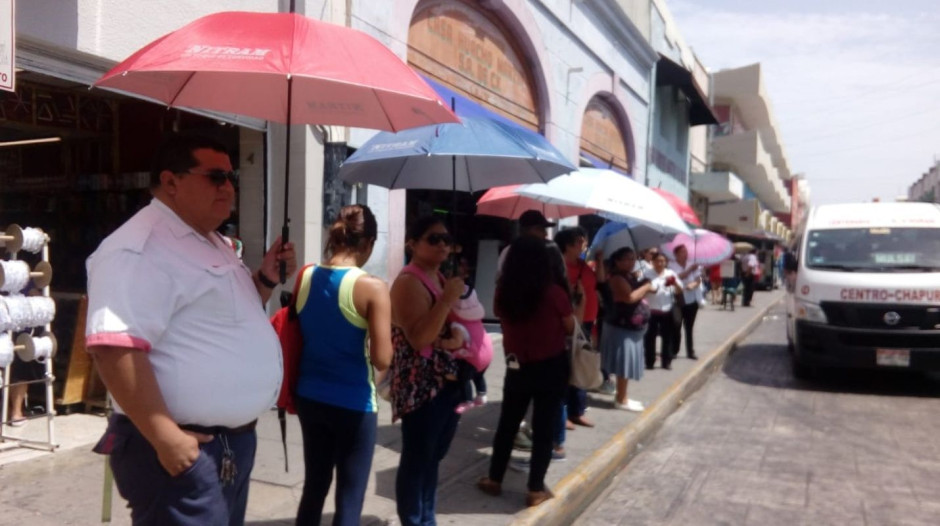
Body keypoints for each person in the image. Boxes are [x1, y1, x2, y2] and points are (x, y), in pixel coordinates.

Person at [86, 133, 297, 526]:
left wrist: (265, 279)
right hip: (183, 451)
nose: (229, 187)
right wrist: (167, 438)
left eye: (232, 177)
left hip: (226, 447)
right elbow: (114, 349)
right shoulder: (138, 248)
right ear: (170, 182)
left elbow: (222, 315)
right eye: (216, 177)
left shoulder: (211, 240)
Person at [293, 204, 393, 526]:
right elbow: (383, 358)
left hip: (309, 395)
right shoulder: (372, 287)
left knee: (314, 486)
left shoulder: (306, 275)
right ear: (368, 243)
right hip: (354, 403)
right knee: (349, 498)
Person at [476, 236, 575, 508]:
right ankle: (534, 490)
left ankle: (495, 479)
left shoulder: (503, 292)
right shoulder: (555, 293)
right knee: (543, 429)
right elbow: (569, 328)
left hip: (517, 366)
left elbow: (499, 314)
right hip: (551, 366)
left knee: (508, 424)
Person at [388, 216, 464, 526]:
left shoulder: (440, 278)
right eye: (433, 239)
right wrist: (447, 301)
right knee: (417, 461)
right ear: (413, 244)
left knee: (432, 458)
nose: (442, 244)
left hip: (444, 383)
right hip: (420, 386)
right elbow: (419, 338)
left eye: (446, 239)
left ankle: (426, 519)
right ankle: (414, 520)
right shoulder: (409, 282)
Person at [599, 247, 653, 411]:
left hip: (631, 328)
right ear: (617, 261)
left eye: (632, 259)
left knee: (627, 365)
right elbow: (629, 297)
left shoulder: (629, 276)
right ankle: (621, 399)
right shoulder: (616, 278)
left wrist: (644, 283)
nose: (630, 262)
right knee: (624, 365)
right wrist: (646, 287)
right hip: (621, 327)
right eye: (626, 259)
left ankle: (623, 396)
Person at [555, 227, 596, 428]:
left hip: (587, 320)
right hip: (570, 320)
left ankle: (577, 410)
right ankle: (562, 413)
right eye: (580, 241)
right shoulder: (559, 266)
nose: (583, 245)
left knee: (580, 363)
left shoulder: (583, 264)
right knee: (566, 367)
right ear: (569, 245)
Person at [642, 252, 683, 370]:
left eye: (662, 261)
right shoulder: (647, 274)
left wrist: (674, 283)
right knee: (650, 337)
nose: (660, 263)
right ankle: (649, 361)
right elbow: (640, 288)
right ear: (653, 262)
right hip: (651, 310)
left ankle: (666, 361)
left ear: (666, 262)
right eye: (657, 261)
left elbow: (679, 291)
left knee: (667, 337)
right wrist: (647, 287)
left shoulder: (670, 274)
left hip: (667, 309)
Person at [668, 244, 702, 360]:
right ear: (676, 254)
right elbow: (675, 278)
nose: (685, 254)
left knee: (689, 327)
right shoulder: (671, 266)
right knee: (676, 324)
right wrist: (689, 270)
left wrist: (693, 284)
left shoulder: (693, 265)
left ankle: (690, 351)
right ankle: (674, 350)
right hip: (677, 299)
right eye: (682, 252)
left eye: (686, 252)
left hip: (691, 299)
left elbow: (698, 280)